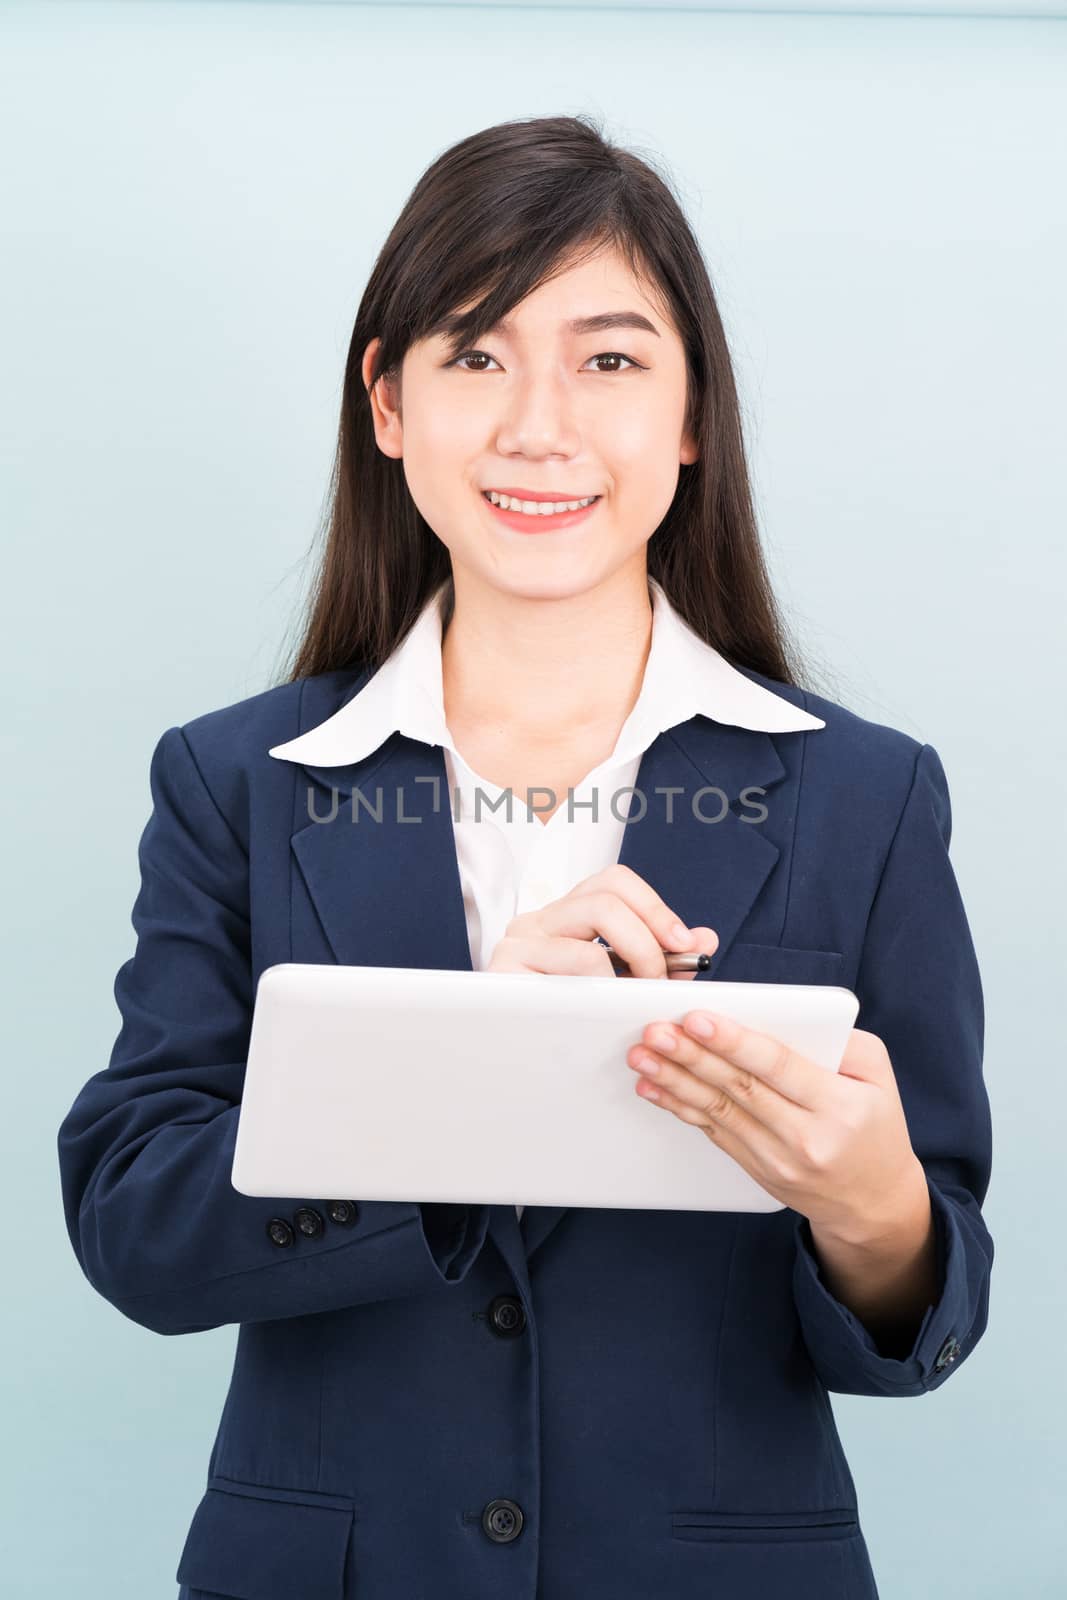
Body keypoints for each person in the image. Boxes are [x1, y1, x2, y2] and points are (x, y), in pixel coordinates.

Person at [56, 114, 994, 1600]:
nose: (538, 424)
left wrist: (874, 1209)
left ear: (692, 415)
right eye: (475, 355)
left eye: (610, 360)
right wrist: (457, 1068)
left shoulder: (867, 795)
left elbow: (926, 1307)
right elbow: (133, 1226)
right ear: (387, 403)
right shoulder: (239, 783)